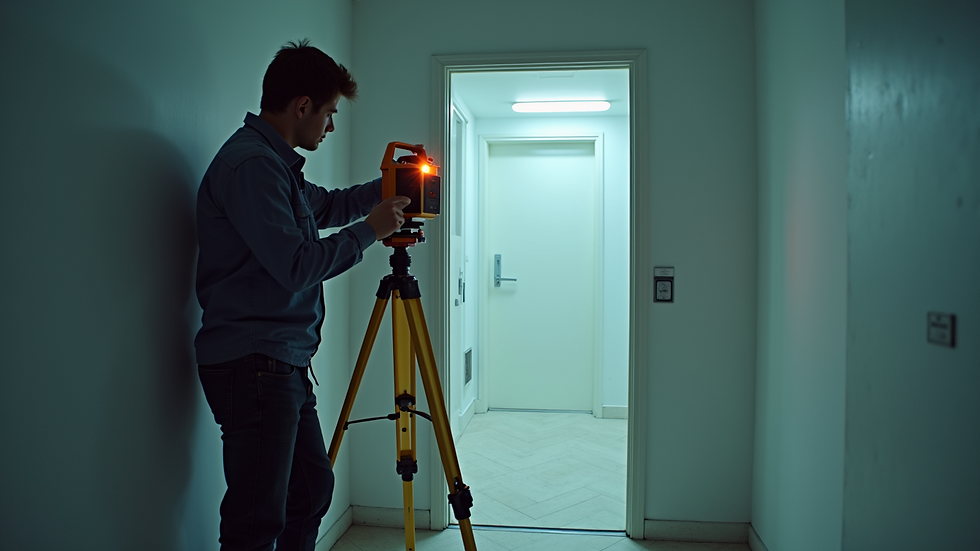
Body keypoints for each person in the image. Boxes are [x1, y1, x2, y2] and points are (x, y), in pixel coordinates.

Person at [194, 39, 410, 551]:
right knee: (256, 518)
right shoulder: (253, 167)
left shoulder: (277, 166)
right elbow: (296, 267)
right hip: (254, 363)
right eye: (330, 113)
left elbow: (330, 207)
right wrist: (371, 232)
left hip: (279, 362)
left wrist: (390, 186)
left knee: (311, 490)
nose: (331, 127)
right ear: (303, 106)